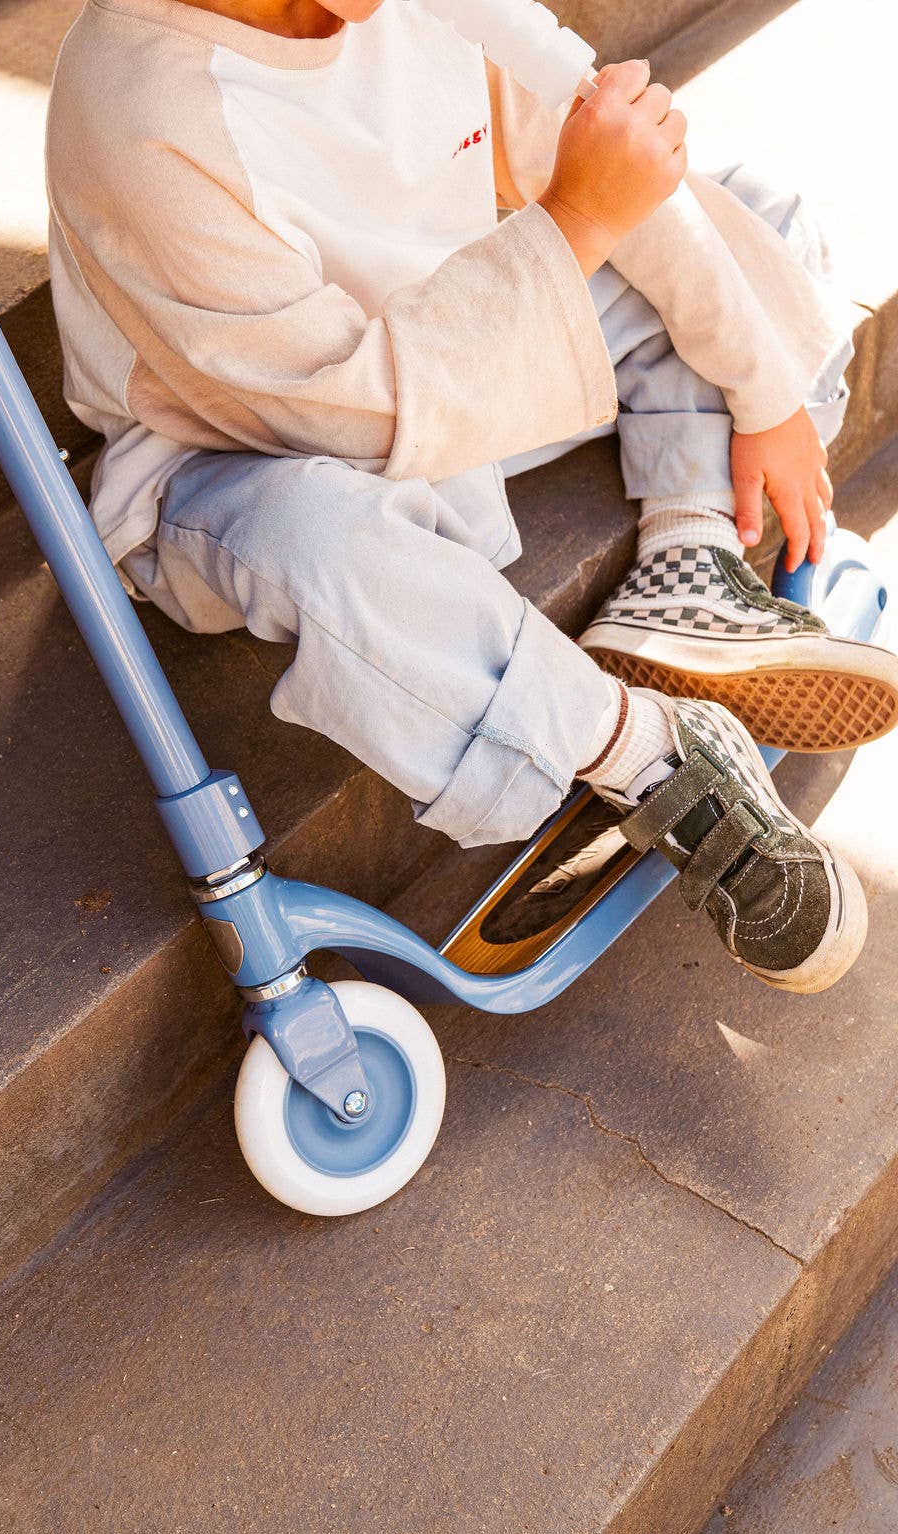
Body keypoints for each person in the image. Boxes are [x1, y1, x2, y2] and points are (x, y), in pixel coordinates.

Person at [45, 0, 898, 993]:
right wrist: (576, 219)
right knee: (317, 544)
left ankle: (687, 560)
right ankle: (644, 752)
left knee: (759, 226)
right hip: (241, 450)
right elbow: (340, 412)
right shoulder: (144, 107)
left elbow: (616, 173)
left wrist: (765, 393)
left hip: (452, 336)